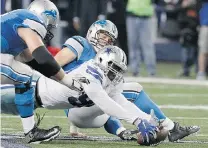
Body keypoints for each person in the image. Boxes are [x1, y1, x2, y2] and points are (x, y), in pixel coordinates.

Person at [1, 19, 199, 142]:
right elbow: (53, 66)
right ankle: (171, 128)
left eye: (110, 40)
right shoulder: (83, 51)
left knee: (116, 96)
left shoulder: (105, 70)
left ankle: (125, 132)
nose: (106, 41)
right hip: (47, 92)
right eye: (104, 36)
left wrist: (144, 121)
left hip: (76, 104)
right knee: (130, 92)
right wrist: (139, 120)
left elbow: (115, 100)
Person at [1, 46, 162, 146]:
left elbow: (120, 101)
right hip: (33, 90)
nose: (116, 73)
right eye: (114, 67)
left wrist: (144, 119)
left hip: (41, 99)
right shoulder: (92, 74)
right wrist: (136, 121)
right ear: (102, 60)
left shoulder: (109, 78)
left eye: (119, 69)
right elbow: (106, 104)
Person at [0, 0, 79, 143]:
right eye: (49, 24)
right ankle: (30, 132)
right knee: (25, 76)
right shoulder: (31, 20)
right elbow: (43, 58)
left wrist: (60, 79)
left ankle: (31, 132)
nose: (48, 30)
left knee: (24, 75)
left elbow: (36, 63)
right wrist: (68, 81)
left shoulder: (15, 23)